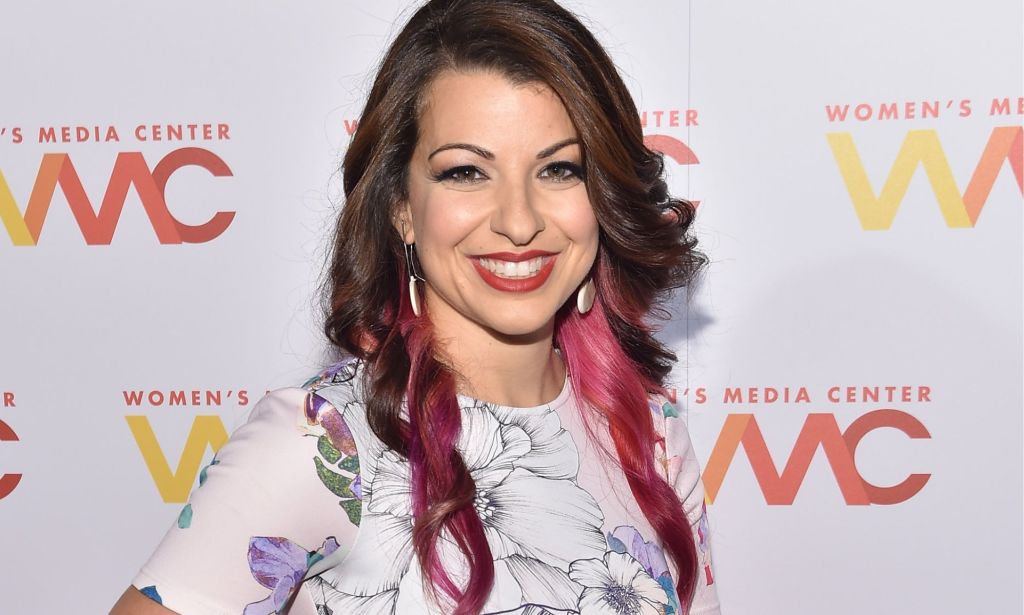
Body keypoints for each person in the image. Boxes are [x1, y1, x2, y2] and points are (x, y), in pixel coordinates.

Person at [111, 0, 720, 613]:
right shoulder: (325, 445)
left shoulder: (649, 435)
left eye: (559, 169)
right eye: (465, 173)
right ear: (401, 205)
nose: (518, 221)